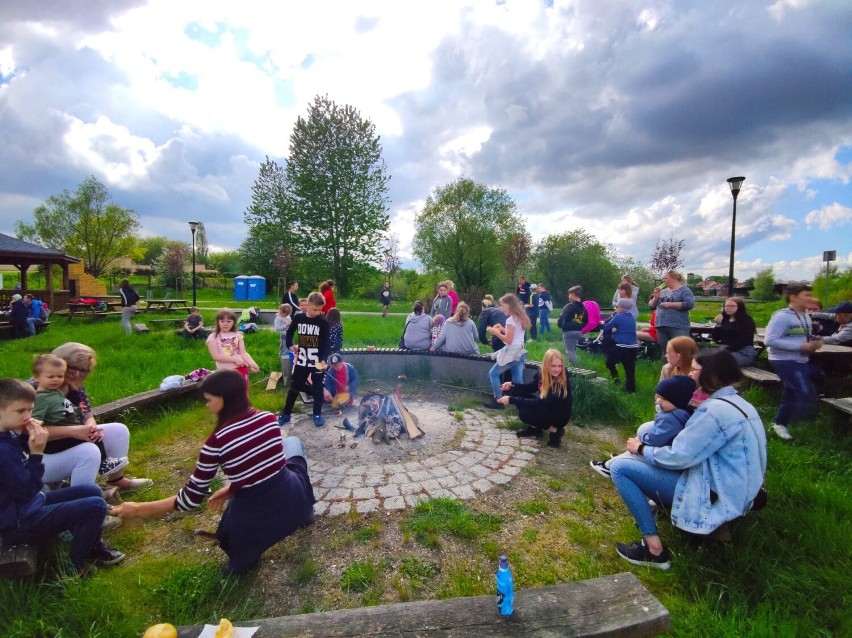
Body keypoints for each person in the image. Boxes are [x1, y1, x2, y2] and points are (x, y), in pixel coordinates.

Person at [113, 370, 316, 576]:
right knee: (292, 444)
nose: (207, 405)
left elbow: (190, 500)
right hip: (292, 497)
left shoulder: (216, 443)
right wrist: (232, 487)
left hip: (256, 513)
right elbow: (266, 463)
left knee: (233, 538)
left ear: (224, 400)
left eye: (209, 400)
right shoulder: (268, 419)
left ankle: (246, 557)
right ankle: (305, 513)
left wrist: (137, 509)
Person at [608, 349, 766, 569]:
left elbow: (679, 457)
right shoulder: (741, 404)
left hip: (717, 494)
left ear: (711, 374)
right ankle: (657, 507)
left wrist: (642, 448)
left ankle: (654, 551)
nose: (690, 374)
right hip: (740, 489)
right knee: (637, 459)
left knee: (620, 468)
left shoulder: (713, 412)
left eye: (695, 369)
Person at [0, 379, 125, 575]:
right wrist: (36, 453)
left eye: (30, 410)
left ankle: (92, 546)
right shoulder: (3, 450)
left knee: (91, 490)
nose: (27, 416)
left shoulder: (10, 434)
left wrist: (26, 435)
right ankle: (73, 569)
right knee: (96, 506)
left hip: (30, 505)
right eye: (20, 411)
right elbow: (25, 492)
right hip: (19, 523)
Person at [46, 343, 151, 493]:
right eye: (73, 368)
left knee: (119, 431)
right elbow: (28, 432)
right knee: (88, 452)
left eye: (83, 371)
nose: (77, 374)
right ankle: (82, 500)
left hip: (69, 442)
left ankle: (117, 481)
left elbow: (88, 415)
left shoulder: (75, 387)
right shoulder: (38, 389)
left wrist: (91, 427)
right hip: (37, 455)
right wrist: (74, 431)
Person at [31, 354, 125, 477]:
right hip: (53, 443)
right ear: (36, 377)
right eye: (51, 376)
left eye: (60, 376)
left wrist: (80, 412)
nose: (56, 379)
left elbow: (73, 411)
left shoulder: (56, 392)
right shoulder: (39, 396)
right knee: (89, 447)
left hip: (71, 426)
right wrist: (36, 422)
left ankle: (110, 471)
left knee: (103, 433)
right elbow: (34, 421)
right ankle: (98, 469)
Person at [590, 375, 696, 478]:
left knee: (635, 453)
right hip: (663, 451)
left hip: (658, 452)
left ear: (676, 401)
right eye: (657, 396)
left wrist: (642, 439)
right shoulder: (682, 414)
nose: (658, 401)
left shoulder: (670, 419)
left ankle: (608, 466)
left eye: (663, 399)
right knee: (634, 450)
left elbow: (656, 439)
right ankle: (619, 460)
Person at [764, 284, 823, 441]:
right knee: (803, 391)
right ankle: (796, 422)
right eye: (807, 295)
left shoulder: (805, 316)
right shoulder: (781, 317)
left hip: (801, 359)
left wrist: (813, 343)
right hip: (783, 360)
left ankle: (780, 424)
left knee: (798, 388)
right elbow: (769, 340)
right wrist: (800, 346)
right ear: (794, 297)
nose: (810, 299)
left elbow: (802, 336)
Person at [497, 349, 572, 448]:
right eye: (553, 366)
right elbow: (530, 387)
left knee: (525, 414)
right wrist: (512, 384)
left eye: (560, 366)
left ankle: (555, 431)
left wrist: (511, 399)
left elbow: (540, 403)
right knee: (517, 391)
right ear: (546, 365)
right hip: (546, 407)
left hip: (559, 415)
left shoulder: (561, 383)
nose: (557, 369)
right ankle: (535, 430)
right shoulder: (542, 374)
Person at [278, 292, 330, 428]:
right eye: (315, 309)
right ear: (308, 305)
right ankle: (286, 413)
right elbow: (289, 333)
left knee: (318, 388)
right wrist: (290, 345)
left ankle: (317, 414)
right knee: (295, 386)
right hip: (302, 359)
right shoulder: (299, 318)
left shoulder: (323, 322)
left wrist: (324, 359)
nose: (318, 312)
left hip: (317, 361)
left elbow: (326, 343)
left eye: (320, 310)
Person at [484, 294, 530, 410]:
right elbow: (515, 336)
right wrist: (502, 329)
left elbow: (508, 340)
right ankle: (521, 404)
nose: (501, 308)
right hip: (520, 351)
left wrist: (495, 332)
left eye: (503, 305)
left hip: (511, 353)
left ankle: (498, 400)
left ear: (509, 305)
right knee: (517, 380)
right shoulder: (520, 317)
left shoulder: (510, 320)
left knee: (493, 373)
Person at [648, 271, 695, 359]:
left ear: (674, 277)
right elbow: (651, 306)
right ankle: (667, 371)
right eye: (663, 279)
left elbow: (689, 304)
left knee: (681, 350)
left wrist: (670, 305)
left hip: (678, 326)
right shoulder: (662, 291)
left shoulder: (685, 290)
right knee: (665, 351)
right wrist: (656, 297)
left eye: (665, 278)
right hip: (661, 325)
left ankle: (682, 371)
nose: (663, 280)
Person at [206, 309, 260, 381]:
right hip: (225, 372)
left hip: (241, 369)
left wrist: (252, 363)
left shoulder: (238, 335)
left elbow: (243, 353)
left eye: (228, 321)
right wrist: (235, 360)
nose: (225, 324)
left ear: (233, 322)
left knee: (242, 391)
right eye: (222, 321)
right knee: (227, 391)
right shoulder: (213, 337)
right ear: (218, 322)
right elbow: (215, 356)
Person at [602, 299, 639, 392]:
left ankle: (616, 380)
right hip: (633, 347)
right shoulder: (632, 317)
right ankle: (631, 390)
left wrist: (606, 326)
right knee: (630, 370)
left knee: (609, 363)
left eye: (616, 307)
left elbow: (607, 327)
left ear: (621, 307)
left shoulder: (618, 316)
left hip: (621, 347)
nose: (616, 308)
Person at [713, 297, 757, 367]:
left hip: (743, 352)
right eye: (726, 306)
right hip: (725, 351)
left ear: (739, 307)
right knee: (704, 358)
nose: (728, 308)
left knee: (719, 361)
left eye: (732, 306)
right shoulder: (724, 319)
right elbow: (716, 338)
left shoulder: (746, 320)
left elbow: (745, 340)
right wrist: (718, 324)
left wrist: (725, 351)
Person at [557, 286, 588, 367]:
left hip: (569, 331)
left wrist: (560, 325)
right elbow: (586, 320)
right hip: (579, 331)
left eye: (569, 294)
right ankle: (576, 365)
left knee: (570, 351)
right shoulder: (584, 307)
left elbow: (562, 317)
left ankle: (576, 368)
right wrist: (581, 327)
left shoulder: (569, 306)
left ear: (573, 294)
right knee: (575, 349)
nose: (568, 296)